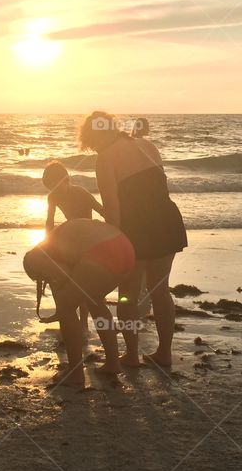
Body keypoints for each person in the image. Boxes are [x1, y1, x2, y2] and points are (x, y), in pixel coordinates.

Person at [78, 111, 187, 368]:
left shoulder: (105, 159)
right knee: (160, 291)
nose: (92, 149)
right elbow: (158, 189)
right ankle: (164, 353)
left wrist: (107, 243)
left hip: (136, 229)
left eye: (91, 143)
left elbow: (114, 211)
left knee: (127, 293)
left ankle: (132, 354)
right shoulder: (148, 145)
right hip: (167, 222)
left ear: (96, 136)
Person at [23, 219, 132, 386]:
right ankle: (112, 362)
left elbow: (62, 274)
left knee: (67, 308)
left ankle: (75, 373)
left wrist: (61, 309)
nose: (44, 279)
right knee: (95, 302)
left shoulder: (34, 257)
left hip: (102, 252)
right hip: (125, 248)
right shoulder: (56, 240)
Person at [43, 161, 104, 232]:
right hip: (72, 229)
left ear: (65, 180)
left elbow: (101, 210)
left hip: (87, 227)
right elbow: (50, 221)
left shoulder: (80, 192)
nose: (55, 190)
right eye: (51, 188)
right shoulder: (53, 197)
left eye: (57, 187)